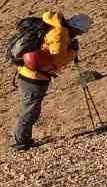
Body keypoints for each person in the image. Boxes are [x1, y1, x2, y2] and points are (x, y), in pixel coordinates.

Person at [10, 11, 91, 151]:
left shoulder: (56, 27)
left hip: (30, 73)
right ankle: (21, 142)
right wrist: (73, 52)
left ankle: (23, 139)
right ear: (77, 28)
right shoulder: (60, 33)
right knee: (30, 109)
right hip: (34, 77)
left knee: (30, 107)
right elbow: (58, 60)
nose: (81, 34)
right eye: (81, 31)